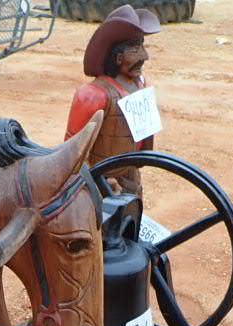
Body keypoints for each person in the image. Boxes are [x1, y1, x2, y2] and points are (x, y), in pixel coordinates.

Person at [65, 4, 161, 197]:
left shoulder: (140, 85)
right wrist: (96, 180)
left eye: (142, 46)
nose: (144, 56)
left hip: (131, 181)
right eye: (135, 49)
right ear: (117, 57)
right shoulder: (93, 95)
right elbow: (72, 151)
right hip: (98, 187)